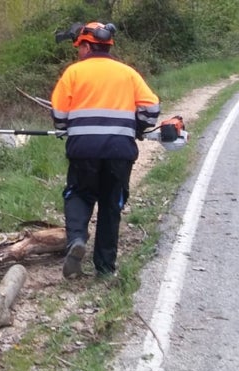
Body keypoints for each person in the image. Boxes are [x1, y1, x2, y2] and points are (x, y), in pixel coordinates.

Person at [51, 21, 160, 279]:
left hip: (83, 150)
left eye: (79, 47)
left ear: (87, 46)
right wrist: (138, 128)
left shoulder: (73, 73)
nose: (78, 52)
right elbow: (152, 108)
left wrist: (66, 127)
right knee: (111, 205)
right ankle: (104, 267)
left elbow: (58, 114)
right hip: (119, 150)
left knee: (78, 194)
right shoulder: (128, 73)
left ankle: (77, 239)